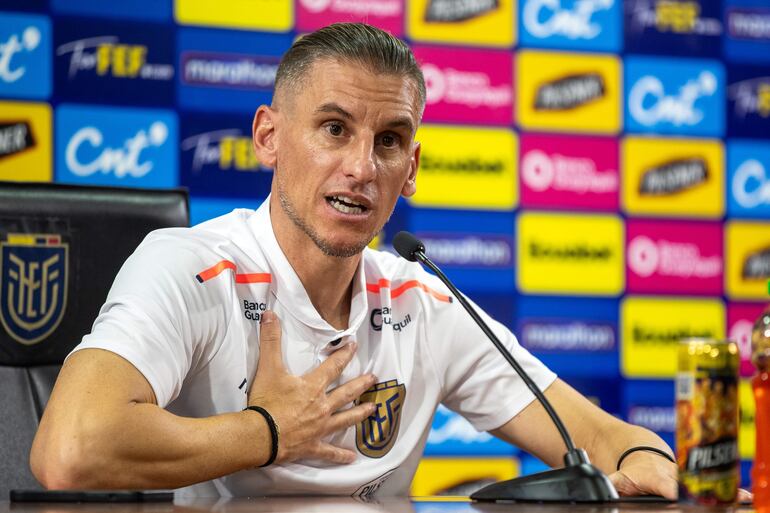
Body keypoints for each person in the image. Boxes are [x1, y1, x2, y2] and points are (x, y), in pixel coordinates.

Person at [31, 23, 677, 498]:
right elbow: (70, 448)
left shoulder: (421, 299)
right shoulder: (190, 267)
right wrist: (270, 430)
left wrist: (650, 461)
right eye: (335, 129)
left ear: (413, 169)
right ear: (269, 137)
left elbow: (600, 435)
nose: (363, 167)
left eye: (390, 141)